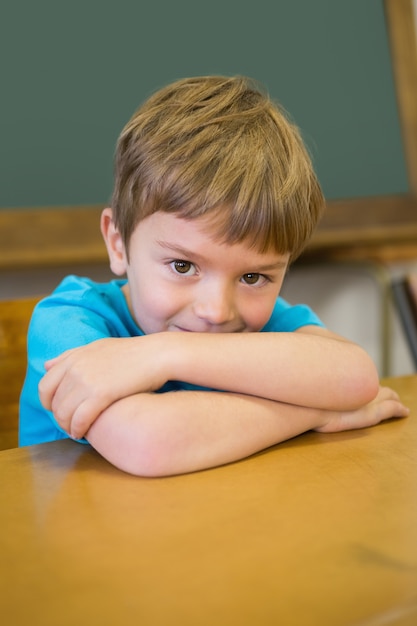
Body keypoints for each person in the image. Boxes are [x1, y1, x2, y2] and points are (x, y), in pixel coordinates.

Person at [19, 75, 409, 476]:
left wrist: (163, 354)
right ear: (118, 244)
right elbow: (150, 444)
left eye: (254, 277)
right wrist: (315, 414)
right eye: (183, 266)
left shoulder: (261, 323)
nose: (217, 311)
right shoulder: (69, 321)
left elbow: (355, 377)